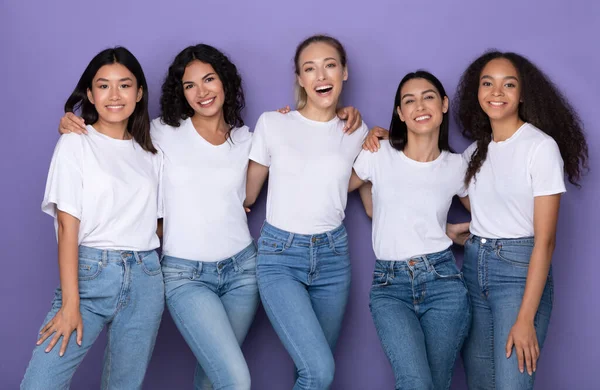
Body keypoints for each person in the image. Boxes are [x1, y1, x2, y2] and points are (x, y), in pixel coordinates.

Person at [57, 43, 362, 390]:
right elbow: (112, 137)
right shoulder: (160, 133)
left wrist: (367, 129)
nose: (201, 92)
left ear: (225, 82)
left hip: (243, 274)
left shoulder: (248, 138)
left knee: (211, 378)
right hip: (184, 276)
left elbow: (303, 157)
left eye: (209, 80)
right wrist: (74, 122)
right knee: (235, 379)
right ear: (181, 93)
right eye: (189, 86)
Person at [21, 47, 164, 390]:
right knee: (39, 384)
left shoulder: (153, 151)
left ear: (140, 92)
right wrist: (71, 303)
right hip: (90, 276)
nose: (114, 96)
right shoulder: (75, 144)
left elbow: (157, 221)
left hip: (146, 278)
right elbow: (67, 226)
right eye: (103, 86)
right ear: (90, 93)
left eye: (125, 85)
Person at [455, 51, 588, 390]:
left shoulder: (540, 148)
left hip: (518, 274)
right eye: (488, 83)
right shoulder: (473, 154)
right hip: (473, 268)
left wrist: (525, 317)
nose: (496, 92)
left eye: (508, 84)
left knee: (511, 385)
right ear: (477, 92)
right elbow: (484, 211)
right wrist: (385, 134)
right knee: (480, 383)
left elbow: (545, 240)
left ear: (523, 93)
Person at [244, 34, 369, 390]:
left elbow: (362, 181)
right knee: (319, 372)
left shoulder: (355, 130)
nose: (321, 76)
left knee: (314, 373)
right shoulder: (273, 123)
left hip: (333, 257)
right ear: (300, 79)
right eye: (309, 69)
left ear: (344, 72)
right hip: (280, 256)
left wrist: (382, 136)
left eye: (330, 65)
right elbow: (247, 194)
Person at [350, 71, 471, 390]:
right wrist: (339, 119)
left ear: (444, 104)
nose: (420, 105)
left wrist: (450, 230)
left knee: (435, 384)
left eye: (428, 96)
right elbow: (334, 191)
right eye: (409, 100)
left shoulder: (457, 166)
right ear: (401, 114)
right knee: (415, 383)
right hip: (390, 286)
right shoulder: (378, 153)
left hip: (443, 282)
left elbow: (493, 218)